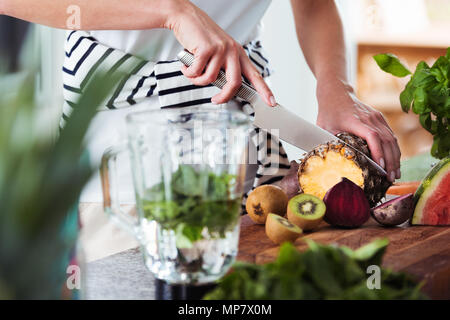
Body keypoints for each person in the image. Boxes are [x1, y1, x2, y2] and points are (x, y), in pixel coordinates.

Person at [1, 0, 401, 203]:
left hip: (240, 153)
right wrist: (171, 11)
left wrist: (335, 88)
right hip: (115, 167)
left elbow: (313, 6)